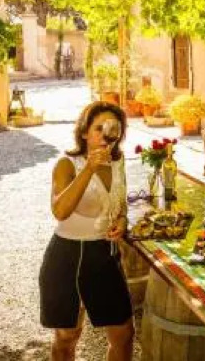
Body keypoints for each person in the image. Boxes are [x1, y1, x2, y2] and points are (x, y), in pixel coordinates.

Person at [39, 101, 134, 361]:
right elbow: (60, 211)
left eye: (113, 128)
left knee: (124, 335)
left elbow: (120, 204)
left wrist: (122, 220)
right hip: (67, 256)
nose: (105, 135)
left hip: (104, 255)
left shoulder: (118, 162)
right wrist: (89, 168)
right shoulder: (66, 164)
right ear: (84, 132)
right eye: (98, 128)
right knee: (67, 337)